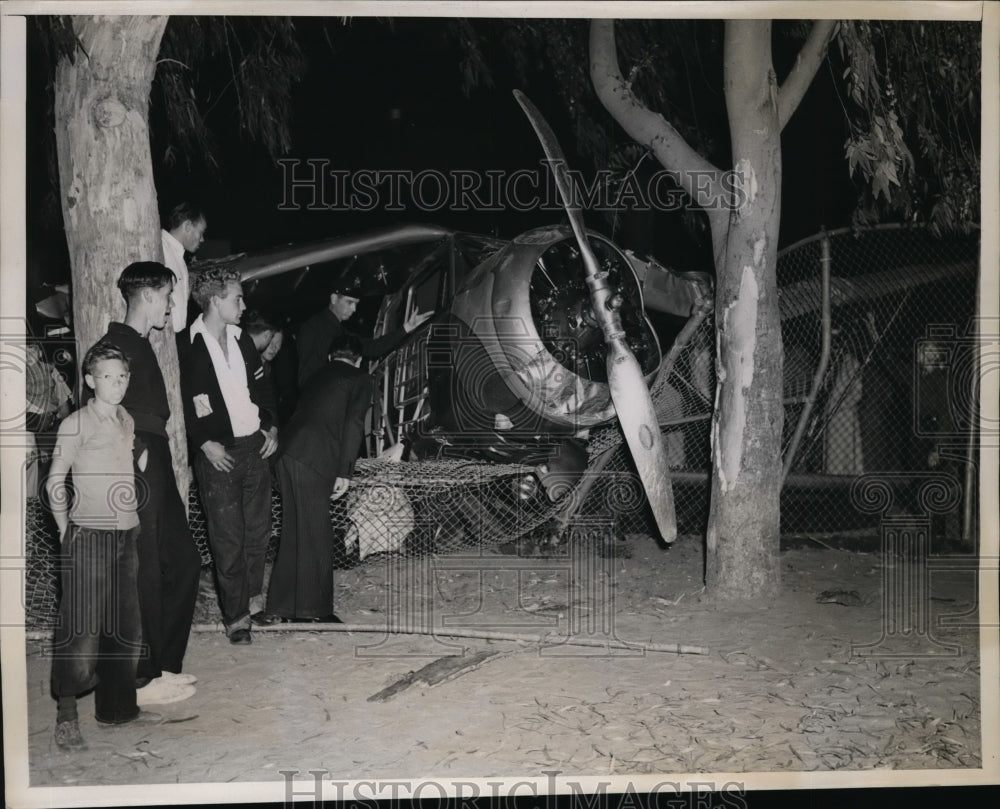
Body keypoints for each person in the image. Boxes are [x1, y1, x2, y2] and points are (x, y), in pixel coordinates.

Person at [93, 262, 201, 707]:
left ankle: (164, 665)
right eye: (169, 295)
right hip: (135, 455)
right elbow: (100, 406)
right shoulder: (114, 345)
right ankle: (142, 677)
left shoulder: (139, 342)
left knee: (182, 561)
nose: (172, 305)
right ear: (151, 296)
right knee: (145, 566)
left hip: (153, 452)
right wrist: (130, 453)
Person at [46, 341, 156, 750]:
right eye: (108, 377)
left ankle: (118, 710)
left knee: (126, 626)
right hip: (87, 535)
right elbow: (56, 479)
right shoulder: (76, 423)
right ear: (90, 380)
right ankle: (66, 716)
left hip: (126, 534)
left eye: (122, 376)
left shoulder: (126, 419)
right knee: (82, 628)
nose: (117, 384)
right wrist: (63, 529)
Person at [179, 268, 278, 644]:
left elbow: (264, 389)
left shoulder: (242, 340)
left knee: (259, 532)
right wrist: (203, 442)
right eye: (238, 298)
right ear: (216, 301)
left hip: (255, 447)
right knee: (227, 539)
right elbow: (180, 401)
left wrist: (271, 427)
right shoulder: (185, 345)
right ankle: (236, 618)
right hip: (218, 455)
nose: (243, 304)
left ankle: (252, 602)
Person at [255, 333, 372, 624]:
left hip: (286, 454)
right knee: (318, 533)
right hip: (313, 458)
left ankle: (282, 608)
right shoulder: (359, 378)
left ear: (332, 357)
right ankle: (315, 611)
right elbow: (354, 424)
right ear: (359, 360)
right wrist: (345, 472)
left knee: (295, 532)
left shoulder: (317, 376)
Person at [296, 280, 433, 387]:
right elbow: (307, 378)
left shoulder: (342, 332)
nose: (354, 309)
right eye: (349, 302)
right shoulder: (314, 326)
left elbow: (374, 347)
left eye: (356, 304)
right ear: (333, 299)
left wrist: (407, 328)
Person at [161, 202, 207, 333]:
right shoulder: (160, 247)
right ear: (187, 226)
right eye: (201, 232)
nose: (202, 239)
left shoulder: (179, 257)